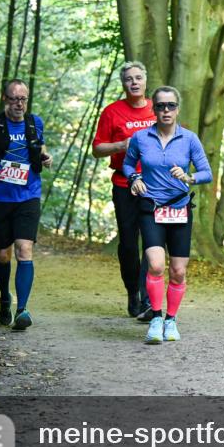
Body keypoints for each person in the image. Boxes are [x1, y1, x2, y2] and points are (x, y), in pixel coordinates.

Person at [122, 86, 212, 345]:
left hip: (180, 208)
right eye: (160, 106)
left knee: (178, 271)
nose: (165, 110)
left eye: (170, 105)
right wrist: (134, 177)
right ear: (154, 109)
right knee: (156, 265)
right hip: (151, 207)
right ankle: (156, 318)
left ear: (177, 109)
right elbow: (128, 163)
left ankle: (171, 320)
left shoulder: (189, 139)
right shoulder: (141, 137)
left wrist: (189, 177)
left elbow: (207, 172)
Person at [0, 80, 52, 330]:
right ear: (5, 99)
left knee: (24, 249)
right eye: (14, 99)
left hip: (29, 194)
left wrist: (45, 156)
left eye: (23, 99)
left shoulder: (35, 122)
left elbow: (40, 145)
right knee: (3, 255)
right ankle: (5, 297)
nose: (19, 104)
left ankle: (22, 310)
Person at [92, 61, 157, 319]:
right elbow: (97, 149)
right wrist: (121, 145)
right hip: (124, 184)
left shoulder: (157, 108)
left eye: (138, 77)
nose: (134, 82)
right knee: (129, 243)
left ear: (145, 81)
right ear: (124, 83)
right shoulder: (112, 112)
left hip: (155, 185)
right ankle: (132, 290)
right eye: (129, 78)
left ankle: (145, 298)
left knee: (152, 241)